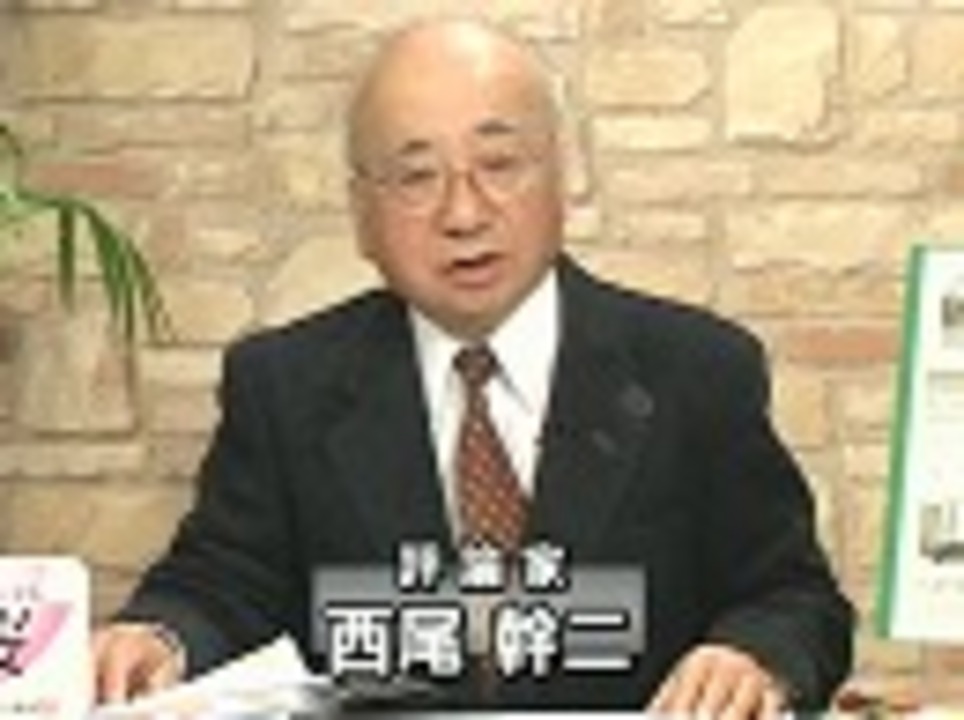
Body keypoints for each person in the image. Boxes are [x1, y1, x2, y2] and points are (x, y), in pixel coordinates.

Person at [92, 17, 854, 715]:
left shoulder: (695, 371)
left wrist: (755, 657)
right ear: (361, 215)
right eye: (416, 176)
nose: (464, 213)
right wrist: (162, 638)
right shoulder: (285, 385)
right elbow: (223, 583)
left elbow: (794, 600)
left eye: (499, 163)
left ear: (561, 177)